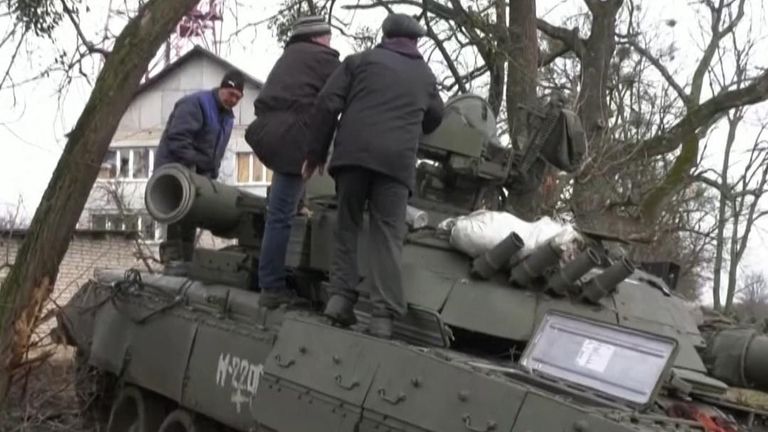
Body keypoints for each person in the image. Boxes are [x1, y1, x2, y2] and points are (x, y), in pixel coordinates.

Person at [302, 13, 444, 338]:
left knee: (347, 225)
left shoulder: (359, 61)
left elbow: (327, 102)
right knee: (388, 236)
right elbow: (436, 116)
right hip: (395, 165)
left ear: (386, 36)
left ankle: (339, 299)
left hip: (352, 156)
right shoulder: (424, 76)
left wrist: (315, 153)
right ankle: (382, 316)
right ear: (415, 41)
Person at [245, 15, 341, 309]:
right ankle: (272, 286)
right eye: (327, 37)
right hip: (293, 137)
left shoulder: (289, 57)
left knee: (286, 207)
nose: (330, 42)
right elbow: (344, 93)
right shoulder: (323, 59)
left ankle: (278, 274)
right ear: (317, 38)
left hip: (269, 133)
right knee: (281, 216)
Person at [153, 69, 245, 263]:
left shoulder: (227, 118)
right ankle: (173, 260)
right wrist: (196, 165)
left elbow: (216, 149)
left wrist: (212, 172)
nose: (234, 100)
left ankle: (186, 260)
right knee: (179, 217)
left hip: (200, 174)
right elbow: (178, 139)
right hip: (177, 172)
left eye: (238, 97)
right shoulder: (196, 104)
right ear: (222, 88)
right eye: (231, 94)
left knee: (191, 219)